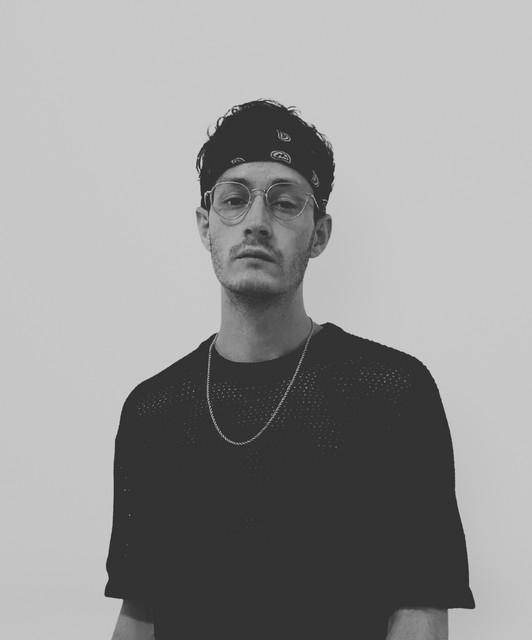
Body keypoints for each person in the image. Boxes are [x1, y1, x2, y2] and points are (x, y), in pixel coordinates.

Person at [104, 99, 475, 639]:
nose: (256, 222)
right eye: (234, 200)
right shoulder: (152, 412)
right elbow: (140, 616)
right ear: (206, 226)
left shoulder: (392, 393)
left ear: (319, 234)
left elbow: (421, 612)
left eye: (284, 203)